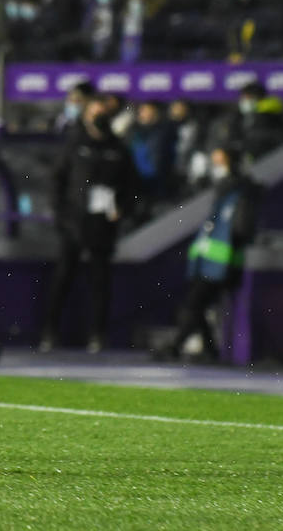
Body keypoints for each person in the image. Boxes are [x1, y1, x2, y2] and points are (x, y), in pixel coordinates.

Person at [41, 93, 140, 353]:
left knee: (100, 281)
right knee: (63, 277)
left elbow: (131, 185)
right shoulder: (74, 145)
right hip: (75, 221)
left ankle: (98, 334)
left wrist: (123, 208)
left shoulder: (117, 147)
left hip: (103, 223)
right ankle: (49, 332)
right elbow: (56, 181)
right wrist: (61, 215)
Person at [161, 146, 259, 362]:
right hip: (210, 261)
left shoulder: (238, 194)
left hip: (221, 262)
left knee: (194, 303)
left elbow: (240, 230)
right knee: (197, 304)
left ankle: (177, 345)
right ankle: (209, 348)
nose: (216, 168)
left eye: (220, 162)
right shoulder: (226, 192)